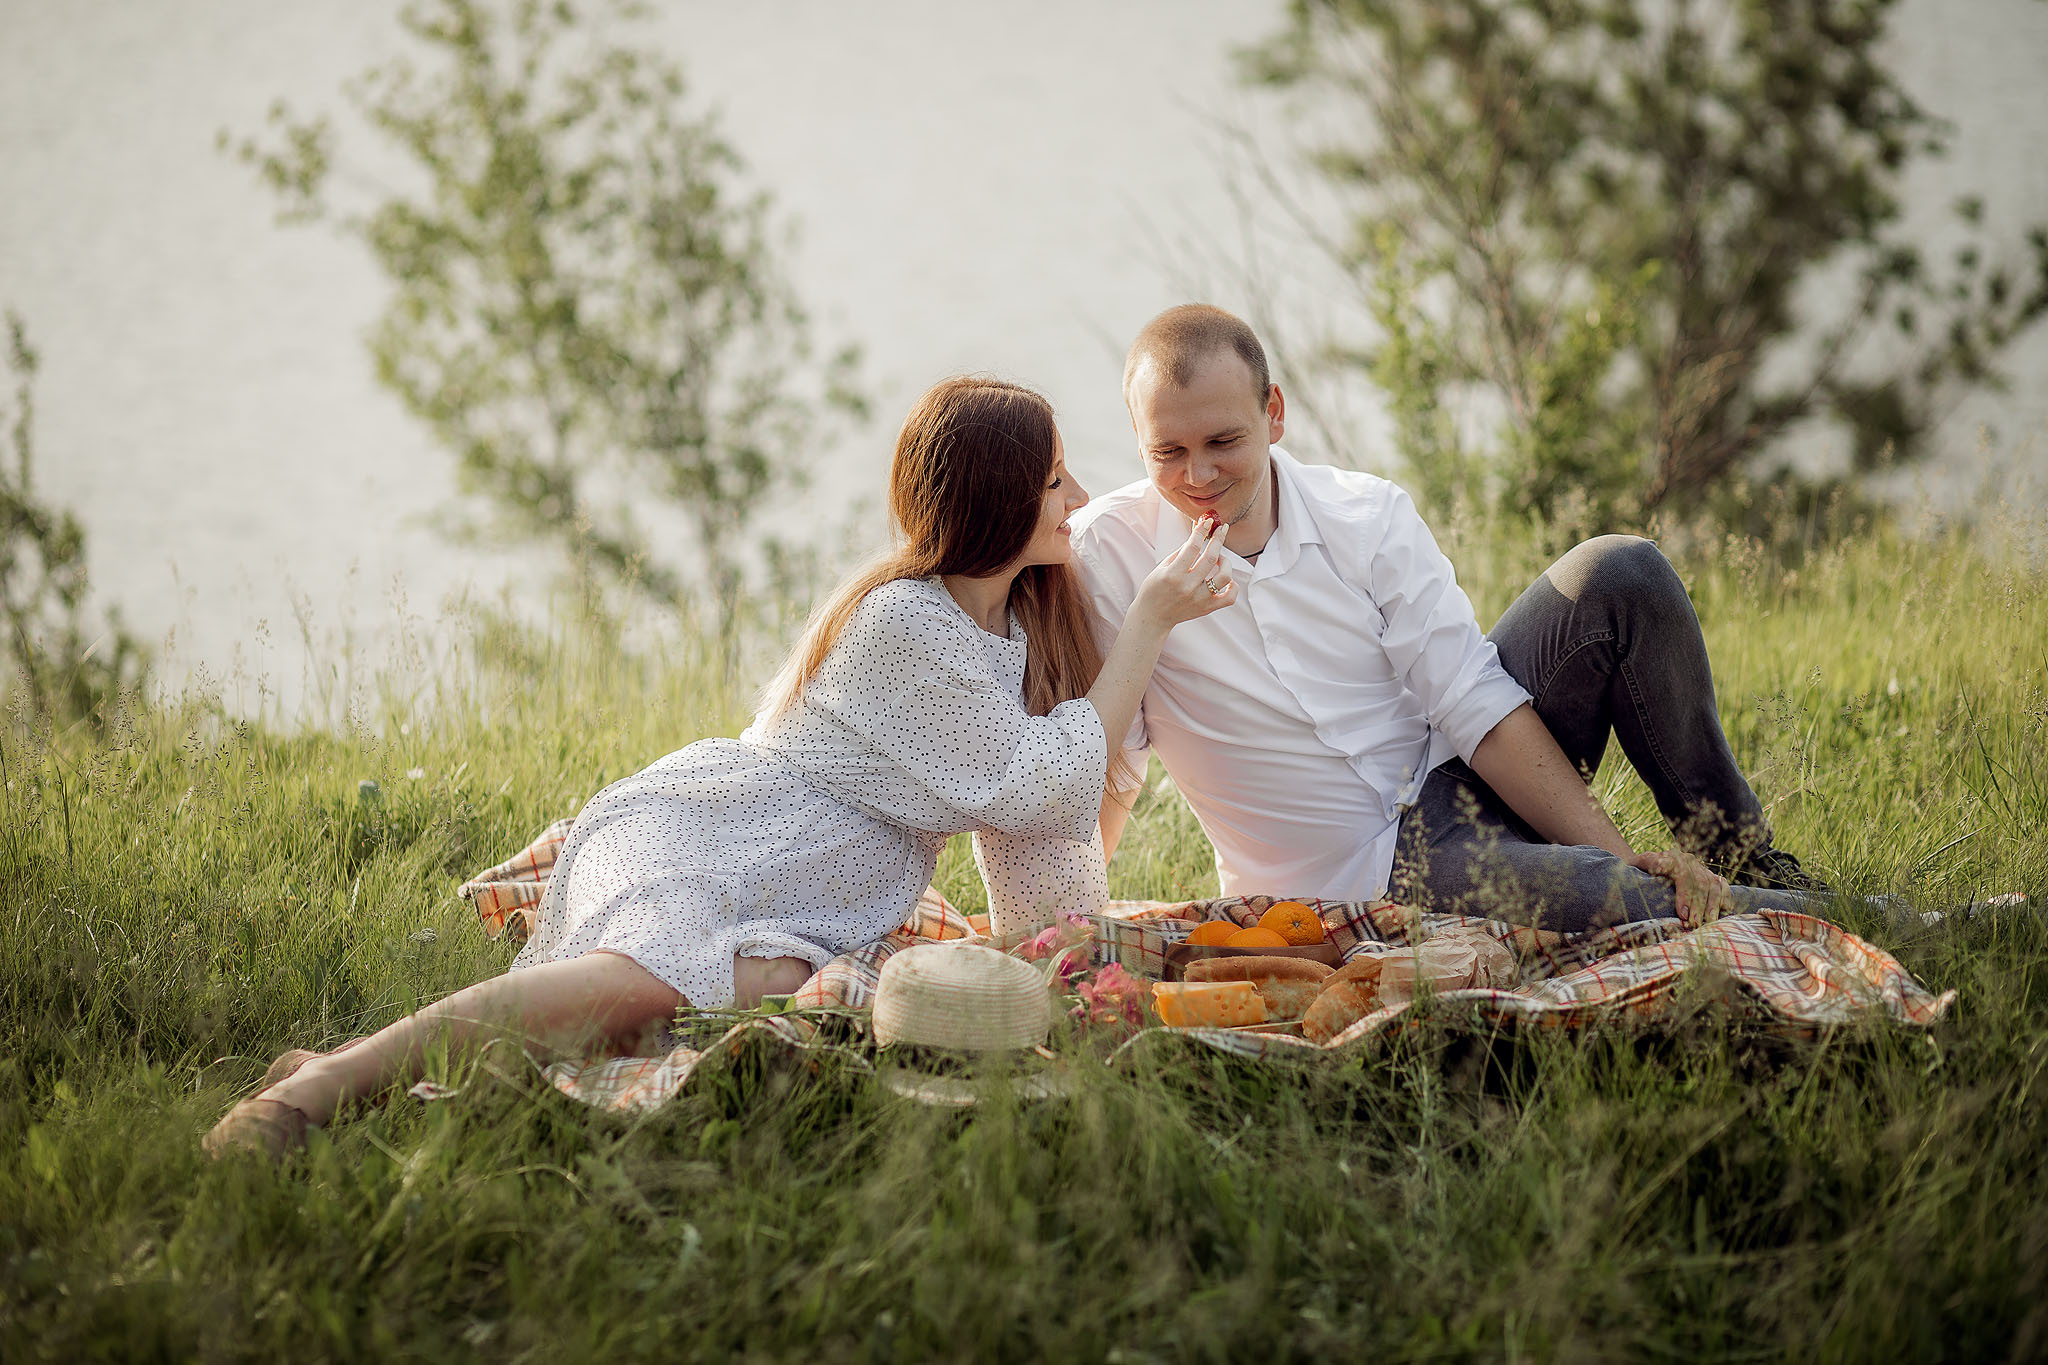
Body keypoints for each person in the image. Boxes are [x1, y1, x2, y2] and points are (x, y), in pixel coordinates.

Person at [206, 375, 1236, 1157]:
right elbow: (1045, 781)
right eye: (1057, 477)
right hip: (721, 834)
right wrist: (1148, 618)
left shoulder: (1013, 628)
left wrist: (1064, 961)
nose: (1081, 495)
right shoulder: (899, 623)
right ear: (999, 495)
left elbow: (1035, 824)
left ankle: (374, 1080)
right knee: (638, 986)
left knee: (743, 994)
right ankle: (311, 1094)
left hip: (811, 897)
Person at [1071, 304, 1831, 935]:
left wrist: (1610, 847)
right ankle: (1866, 920)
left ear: (1273, 414)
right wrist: (1070, 911)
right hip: (1371, 874)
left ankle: (1741, 855)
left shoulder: (1365, 513)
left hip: (1458, 773)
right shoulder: (1111, 554)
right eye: (1167, 451)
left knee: (1620, 571)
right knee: (1624, 904)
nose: (1197, 476)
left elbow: (1470, 698)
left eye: (1222, 442)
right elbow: (1111, 759)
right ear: (1138, 441)